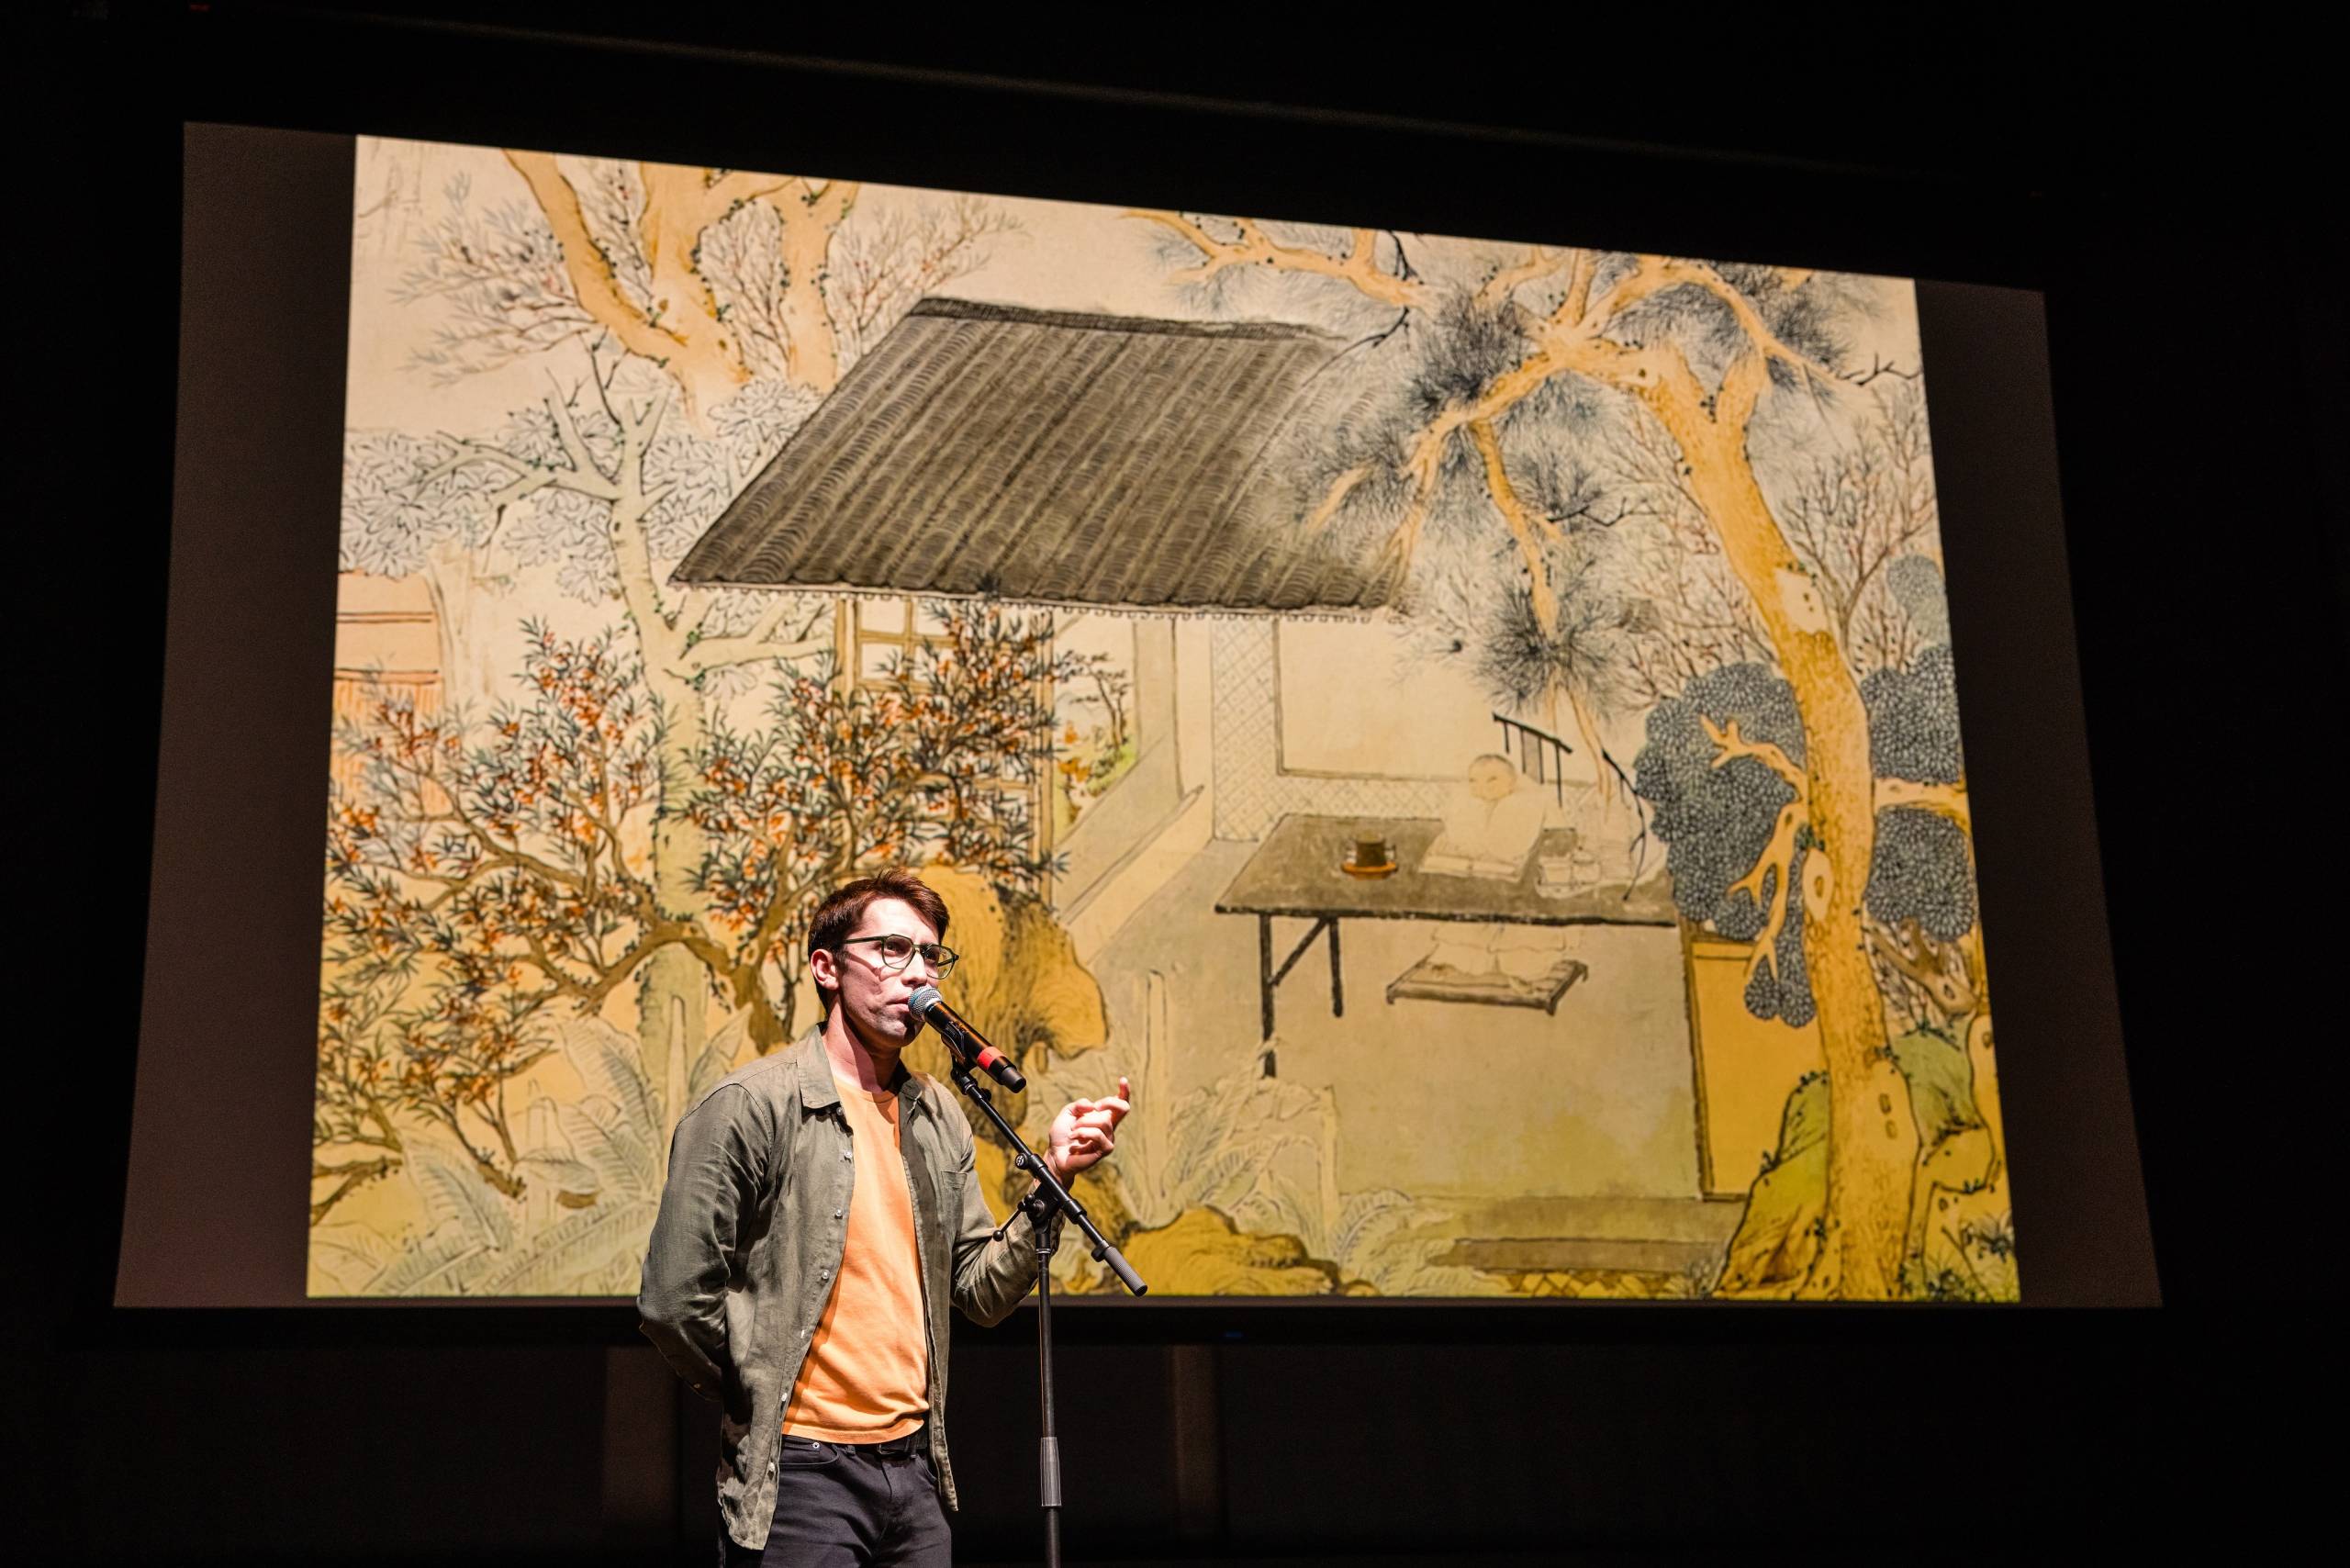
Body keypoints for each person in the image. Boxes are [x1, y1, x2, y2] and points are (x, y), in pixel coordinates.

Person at [638, 868, 1131, 1566]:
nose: (917, 973)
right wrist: (759, 1386)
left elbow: (981, 1293)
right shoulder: (752, 1106)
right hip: (801, 1477)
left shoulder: (937, 1115)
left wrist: (1054, 1176)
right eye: (893, 951)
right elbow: (671, 1302)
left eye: (930, 956)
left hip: (915, 1474)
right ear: (827, 967)